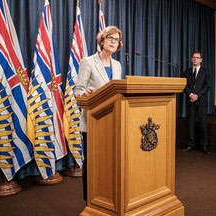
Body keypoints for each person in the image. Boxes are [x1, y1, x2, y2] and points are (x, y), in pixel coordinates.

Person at [74, 26, 123, 201]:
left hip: (114, 120)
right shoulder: (88, 62)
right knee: (93, 163)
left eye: (116, 39)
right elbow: (78, 91)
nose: (113, 41)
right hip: (94, 120)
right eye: (110, 37)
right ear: (102, 40)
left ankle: (107, 197)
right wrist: (85, 93)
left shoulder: (117, 65)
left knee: (110, 161)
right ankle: (90, 199)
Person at [181, 51, 211, 155]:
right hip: (190, 101)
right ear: (191, 59)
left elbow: (207, 86)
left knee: (203, 124)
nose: (195, 59)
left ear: (201, 60)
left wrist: (197, 95)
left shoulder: (205, 71)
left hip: (201, 101)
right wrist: (191, 95)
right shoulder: (186, 72)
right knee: (190, 125)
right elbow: (183, 85)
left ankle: (204, 146)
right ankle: (191, 145)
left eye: (197, 58)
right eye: (193, 57)